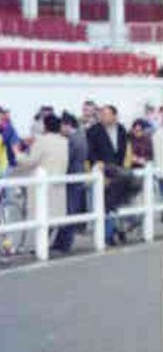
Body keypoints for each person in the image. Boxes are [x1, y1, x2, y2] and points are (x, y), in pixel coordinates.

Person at [14, 114, 70, 250]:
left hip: (42, 185)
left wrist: (17, 153)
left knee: (40, 215)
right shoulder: (64, 141)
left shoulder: (42, 141)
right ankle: (44, 245)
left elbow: (30, 161)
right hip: (58, 183)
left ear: (45, 126)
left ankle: (40, 246)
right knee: (52, 216)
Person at [54, 113, 88, 253]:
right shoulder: (80, 137)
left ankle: (65, 244)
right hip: (77, 175)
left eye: (62, 125)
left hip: (72, 176)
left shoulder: (73, 140)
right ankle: (61, 242)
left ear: (68, 125)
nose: (60, 129)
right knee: (69, 209)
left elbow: (67, 158)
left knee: (70, 210)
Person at [87, 104, 127, 169]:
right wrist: (96, 162)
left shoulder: (121, 129)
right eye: (101, 114)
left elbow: (124, 149)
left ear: (114, 116)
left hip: (119, 169)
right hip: (101, 169)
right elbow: (90, 151)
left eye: (105, 115)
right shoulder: (93, 131)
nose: (102, 117)